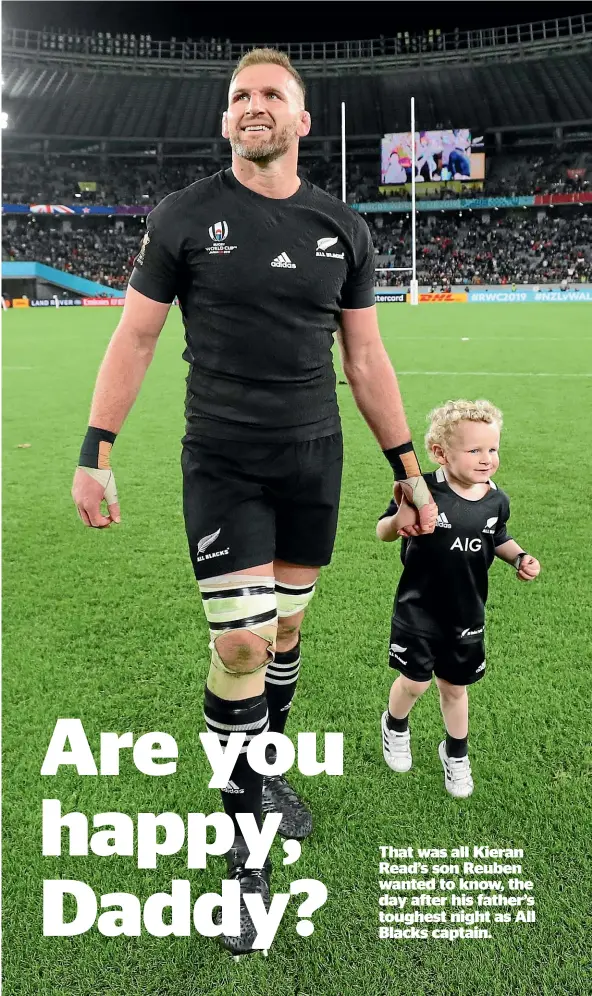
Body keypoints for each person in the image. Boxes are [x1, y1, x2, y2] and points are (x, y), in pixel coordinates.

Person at [71, 48, 437, 956]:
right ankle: (245, 850)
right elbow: (136, 337)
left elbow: (365, 360)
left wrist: (407, 465)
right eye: (240, 97)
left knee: (283, 636)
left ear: (303, 120)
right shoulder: (185, 217)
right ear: (226, 119)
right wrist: (94, 451)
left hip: (314, 462)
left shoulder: (341, 227)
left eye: (273, 95)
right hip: (223, 463)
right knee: (237, 642)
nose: (254, 107)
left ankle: (261, 772)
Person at [376, 400, 540, 798]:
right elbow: (384, 530)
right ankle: (394, 725)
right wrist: (400, 520)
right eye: (474, 451)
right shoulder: (422, 490)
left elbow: (497, 536)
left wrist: (517, 556)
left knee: (454, 688)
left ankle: (456, 754)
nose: (487, 460)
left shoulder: (496, 500)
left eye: (493, 449)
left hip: (466, 612)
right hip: (418, 609)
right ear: (440, 453)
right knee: (414, 683)